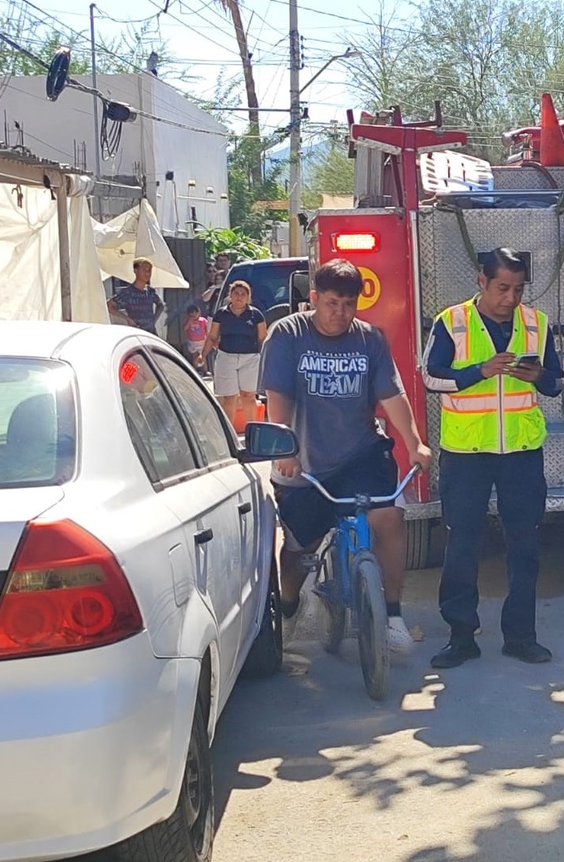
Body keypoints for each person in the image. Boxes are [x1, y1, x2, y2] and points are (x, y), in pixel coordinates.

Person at [258, 259, 432, 652]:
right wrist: (285, 447)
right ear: (314, 298)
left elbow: (392, 396)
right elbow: (277, 398)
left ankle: (393, 616)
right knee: (298, 548)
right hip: (303, 463)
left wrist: (415, 443)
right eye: (332, 303)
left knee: (389, 518)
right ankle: (288, 604)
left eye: (349, 304)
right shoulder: (287, 334)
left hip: (360, 455)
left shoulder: (369, 339)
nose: (340, 313)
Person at [422, 247, 564, 668]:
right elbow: (430, 377)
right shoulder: (452, 321)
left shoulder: (537, 323)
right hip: (466, 453)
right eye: (502, 287)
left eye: (518, 289)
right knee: (462, 545)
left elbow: (557, 383)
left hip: (521, 452)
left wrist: (540, 376)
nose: (511, 298)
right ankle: (460, 637)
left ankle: (521, 637)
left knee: (525, 546)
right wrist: (478, 372)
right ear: (481, 281)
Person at [205, 282, 267, 427]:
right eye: (236, 293)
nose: (239, 297)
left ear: (248, 297)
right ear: (230, 295)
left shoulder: (256, 315)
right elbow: (212, 336)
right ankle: (230, 433)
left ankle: (253, 431)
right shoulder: (221, 314)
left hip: (250, 359)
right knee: (230, 397)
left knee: (248, 395)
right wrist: (202, 355)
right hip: (226, 357)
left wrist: (268, 359)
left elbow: (263, 338)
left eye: (243, 294)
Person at [108, 257, 165, 334]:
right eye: (144, 270)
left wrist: (153, 320)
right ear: (136, 271)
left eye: (149, 270)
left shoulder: (151, 291)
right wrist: (127, 319)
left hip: (151, 333)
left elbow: (161, 306)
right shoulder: (128, 293)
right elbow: (109, 306)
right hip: (136, 333)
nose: (147, 273)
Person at [183, 304, 210, 375]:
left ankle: (205, 371)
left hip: (202, 341)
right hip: (192, 342)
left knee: (203, 356)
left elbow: (207, 329)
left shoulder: (202, 320)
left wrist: (208, 337)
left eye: (194, 314)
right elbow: (185, 328)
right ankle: (195, 371)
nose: (193, 317)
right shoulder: (188, 321)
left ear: (199, 313)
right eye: (191, 315)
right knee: (194, 356)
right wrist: (189, 321)